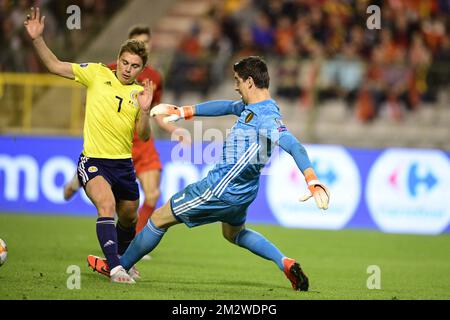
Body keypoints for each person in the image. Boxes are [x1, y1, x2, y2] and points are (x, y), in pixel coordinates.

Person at [88, 56, 330, 290]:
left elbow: (293, 145)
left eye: (237, 81)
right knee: (234, 234)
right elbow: (226, 106)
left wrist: (312, 179)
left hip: (218, 189)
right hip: (244, 193)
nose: (235, 86)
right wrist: (183, 111)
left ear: (249, 82)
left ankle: (118, 266)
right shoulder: (260, 106)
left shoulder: (266, 118)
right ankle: (284, 262)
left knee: (159, 218)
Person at [24, 7, 154, 283]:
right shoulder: (96, 73)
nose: (128, 69)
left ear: (142, 69)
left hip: (123, 164)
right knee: (105, 205)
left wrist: (144, 110)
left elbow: (143, 136)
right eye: (125, 62)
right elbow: (54, 65)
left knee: (129, 216)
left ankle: (123, 260)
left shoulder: (138, 92)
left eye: (135, 66)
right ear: (117, 59)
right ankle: (116, 267)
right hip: (94, 160)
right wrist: (37, 39)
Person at [63, 25, 190, 238]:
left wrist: (173, 128)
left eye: (146, 43)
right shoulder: (113, 69)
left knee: (153, 194)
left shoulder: (155, 78)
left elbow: (153, 112)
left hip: (141, 142)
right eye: (139, 41)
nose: (143, 45)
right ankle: (81, 177)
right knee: (111, 204)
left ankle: (135, 243)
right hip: (113, 143)